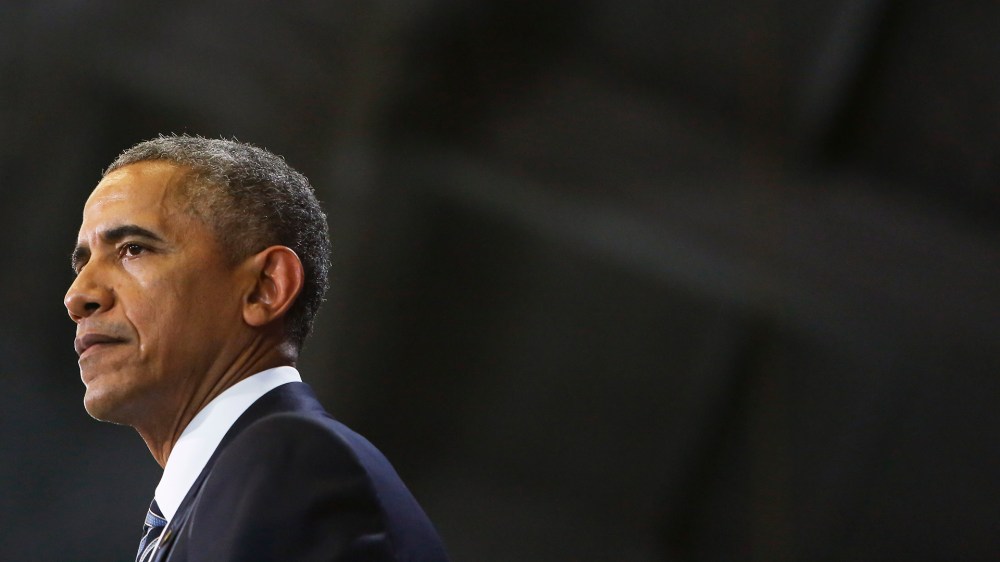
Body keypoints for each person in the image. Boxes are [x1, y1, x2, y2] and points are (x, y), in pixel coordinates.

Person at [64, 135, 449, 562]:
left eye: (133, 249)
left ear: (265, 288)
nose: (78, 295)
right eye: (83, 263)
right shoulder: (228, 488)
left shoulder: (289, 465)